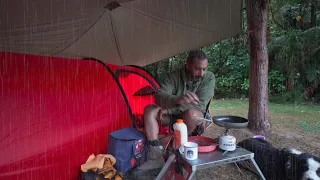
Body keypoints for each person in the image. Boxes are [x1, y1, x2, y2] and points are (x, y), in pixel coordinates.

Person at [136, 49, 215, 174]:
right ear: (187, 64)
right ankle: (155, 157)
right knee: (150, 110)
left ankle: (180, 153)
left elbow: (199, 105)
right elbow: (159, 96)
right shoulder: (174, 76)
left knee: (191, 113)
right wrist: (178, 99)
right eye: (197, 69)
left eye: (204, 69)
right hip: (174, 117)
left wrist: (170, 109)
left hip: (194, 119)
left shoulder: (209, 78)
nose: (201, 73)